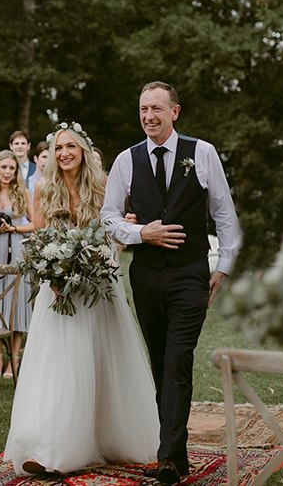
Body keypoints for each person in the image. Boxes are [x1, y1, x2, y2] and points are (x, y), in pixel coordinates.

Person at [101, 81, 241, 484]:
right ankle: (176, 456)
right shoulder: (127, 160)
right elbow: (107, 216)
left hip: (189, 274)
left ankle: (166, 457)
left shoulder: (202, 152)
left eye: (157, 109)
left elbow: (224, 213)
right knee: (161, 359)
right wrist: (141, 233)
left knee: (178, 360)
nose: (149, 116)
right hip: (144, 276)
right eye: (144, 109)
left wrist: (225, 265)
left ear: (174, 112)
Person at [4, 123, 160, 475]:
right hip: (59, 290)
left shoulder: (103, 185)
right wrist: (53, 275)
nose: (64, 154)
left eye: (71, 147)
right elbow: (41, 240)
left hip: (98, 284)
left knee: (104, 359)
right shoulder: (43, 187)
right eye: (58, 148)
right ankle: (51, 447)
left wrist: (106, 247)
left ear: (84, 151)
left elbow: (114, 229)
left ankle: (112, 437)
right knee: (59, 365)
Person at [0, 150, 33, 377]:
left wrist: (13, 228)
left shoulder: (23, 192)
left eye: (11, 168)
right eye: (3, 167)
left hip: (15, 249)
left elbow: (37, 224)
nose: (7, 172)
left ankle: (14, 361)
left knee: (14, 303)